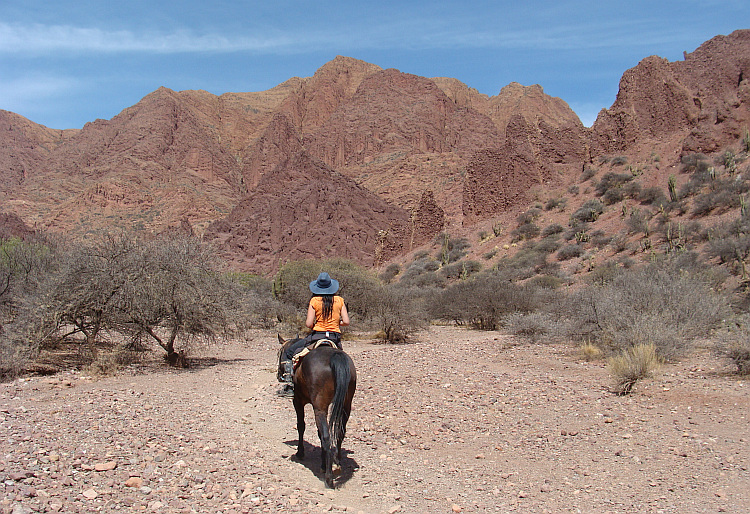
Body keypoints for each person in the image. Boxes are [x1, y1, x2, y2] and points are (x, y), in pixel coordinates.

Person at [279, 272, 350, 396]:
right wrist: (336, 323)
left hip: (318, 336)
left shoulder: (314, 301)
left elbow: (308, 323)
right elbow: (346, 321)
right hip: (334, 337)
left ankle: (289, 384)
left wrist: (318, 325)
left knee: (290, 352)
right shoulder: (339, 300)